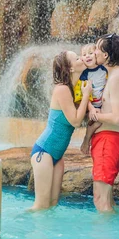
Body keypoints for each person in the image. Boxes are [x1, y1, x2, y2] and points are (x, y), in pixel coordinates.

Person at [30, 50, 92, 211]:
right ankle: (18, 228)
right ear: (70, 68)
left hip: (57, 156)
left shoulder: (75, 88)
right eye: (77, 58)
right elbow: (76, 121)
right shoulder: (62, 89)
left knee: (52, 205)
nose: (81, 58)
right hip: (44, 152)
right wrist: (86, 95)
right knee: (41, 206)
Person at [87, 33, 119, 212]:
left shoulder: (115, 79)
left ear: (106, 55)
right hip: (112, 140)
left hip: (109, 141)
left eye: (98, 48)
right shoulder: (117, 73)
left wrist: (94, 116)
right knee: (108, 200)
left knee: (100, 200)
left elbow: (118, 117)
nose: (94, 51)